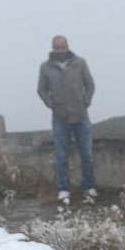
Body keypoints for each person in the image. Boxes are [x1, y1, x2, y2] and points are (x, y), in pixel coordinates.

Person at [37, 35, 96, 203]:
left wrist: (86, 101)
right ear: (53, 49)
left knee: (87, 154)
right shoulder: (46, 67)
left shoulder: (80, 63)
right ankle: (64, 189)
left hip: (80, 115)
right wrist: (52, 105)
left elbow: (90, 84)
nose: (60, 50)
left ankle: (89, 187)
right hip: (60, 117)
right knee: (62, 156)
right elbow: (41, 90)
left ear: (67, 47)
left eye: (62, 47)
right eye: (57, 47)